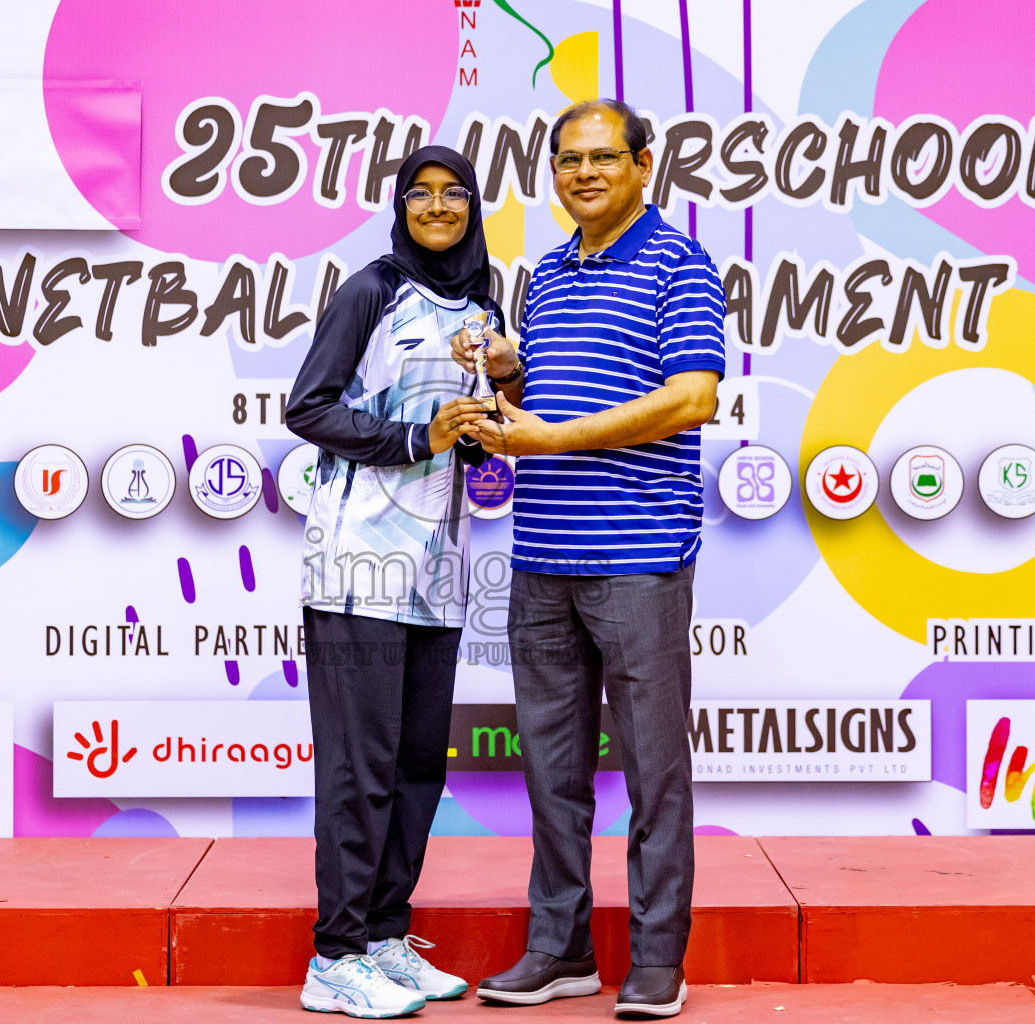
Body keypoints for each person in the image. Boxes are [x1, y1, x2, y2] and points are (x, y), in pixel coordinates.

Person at [454, 99, 725, 1019]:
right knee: (551, 771)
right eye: (568, 161)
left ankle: (656, 960)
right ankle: (559, 949)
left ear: (644, 165)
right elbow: (550, 394)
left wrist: (554, 436)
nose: (584, 174)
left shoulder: (679, 264)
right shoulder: (549, 274)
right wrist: (505, 372)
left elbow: (691, 399)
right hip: (542, 557)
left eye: (604, 158)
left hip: (639, 558)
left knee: (653, 772)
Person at [285, 145, 501, 1019]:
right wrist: (418, 436)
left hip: (438, 572)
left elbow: (471, 433)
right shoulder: (372, 289)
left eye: (455, 195)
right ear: (400, 204)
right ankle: (332, 957)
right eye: (422, 194)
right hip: (356, 568)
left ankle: (382, 938)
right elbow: (308, 406)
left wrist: (483, 427)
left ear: (474, 206)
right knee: (359, 768)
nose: (439, 207)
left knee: (416, 767)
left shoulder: (485, 302)